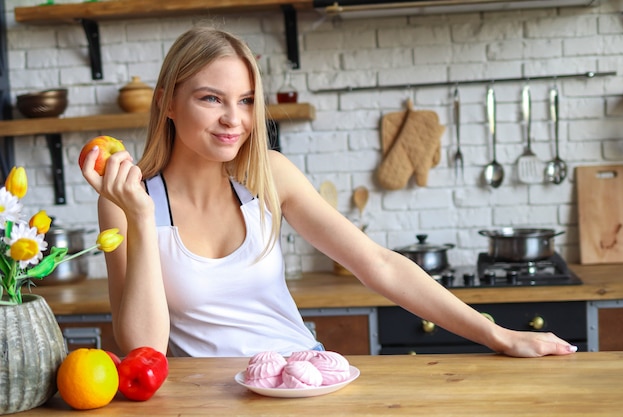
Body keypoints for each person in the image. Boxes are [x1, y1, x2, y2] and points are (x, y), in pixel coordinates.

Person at [80, 26, 578, 358]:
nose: (235, 120)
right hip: (204, 401)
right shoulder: (126, 201)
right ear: (166, 102)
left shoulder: (268, 175)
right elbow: (142, 347)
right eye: (211, 99)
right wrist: (143, 220)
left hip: (302, 380)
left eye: (247, 101)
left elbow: (378, 264)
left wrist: (498, 335)